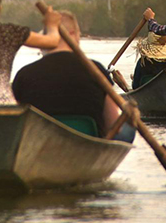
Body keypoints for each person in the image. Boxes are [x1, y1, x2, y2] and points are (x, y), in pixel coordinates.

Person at [12, 11, 134, 142]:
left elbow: (15, 126)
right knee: (128, 127)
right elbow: (113, 124)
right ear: (72, 34)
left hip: (40, 146)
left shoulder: (24, 74)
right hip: (89, 146)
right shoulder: (96, 70)